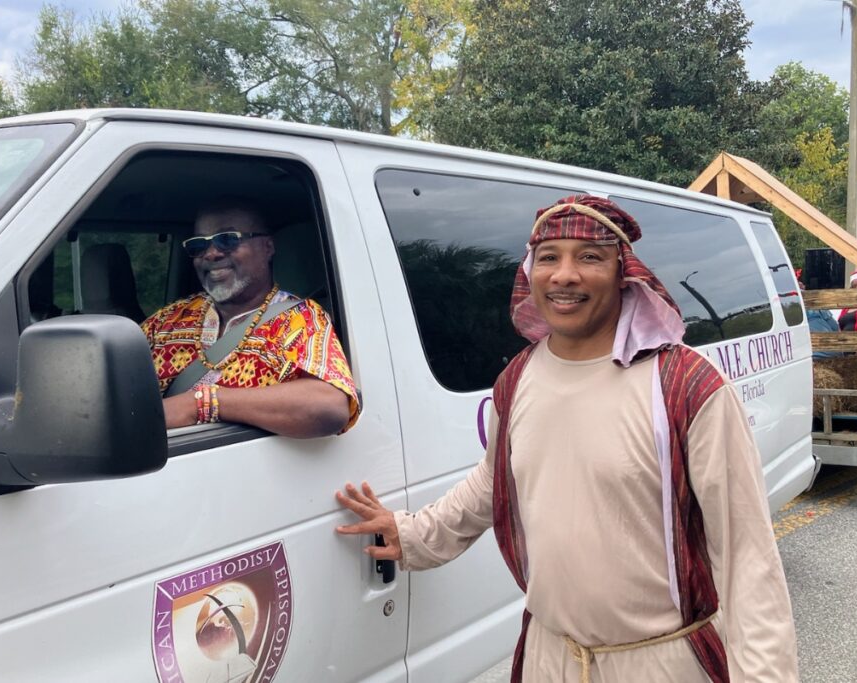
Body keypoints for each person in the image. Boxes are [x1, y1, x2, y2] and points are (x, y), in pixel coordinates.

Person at [335, 195, 798, 682]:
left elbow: (747, 556)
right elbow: (493, 482)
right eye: (549, 257)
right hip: (549, 658)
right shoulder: (518, 378)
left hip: (661, 663)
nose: (564, 275)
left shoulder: (685, 385)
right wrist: (411, 534)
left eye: (590, 257)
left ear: (625, 273)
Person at [141, 197, 358, 436]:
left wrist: (202, 402)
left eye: (227, 240)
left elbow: (329, 406)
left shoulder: (299, 319)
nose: (211, 254)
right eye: (199, 246)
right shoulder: (169, 319)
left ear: (267, 247)